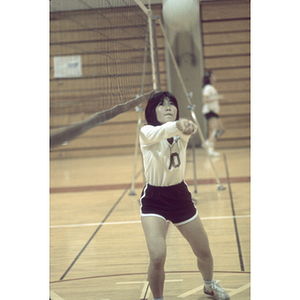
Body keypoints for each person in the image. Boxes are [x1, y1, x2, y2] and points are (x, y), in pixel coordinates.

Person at [139, 91, 230, 300]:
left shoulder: (180, 131)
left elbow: (186, 129)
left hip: (179, 195)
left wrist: (187, 126)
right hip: (154, 199)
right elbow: (169, 129)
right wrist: (180, 124)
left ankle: (209, 286)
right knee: (157, 256)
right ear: (152, 111)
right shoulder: (146, 132)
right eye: (162, 105)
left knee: (204, 251)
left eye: (171, 103)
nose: (168, 107)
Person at [202, 70, 226, 156]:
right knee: (215, 130)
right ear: (210, 77)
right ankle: (211, 149)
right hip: (209, 111)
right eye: (213, 75)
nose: (215, 76)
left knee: (221, 130)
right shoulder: (208, 88)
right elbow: (205, 100)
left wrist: (218, 98)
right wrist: (218, 98)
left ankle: (208, 141)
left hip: (214, 111)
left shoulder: (212, 88)